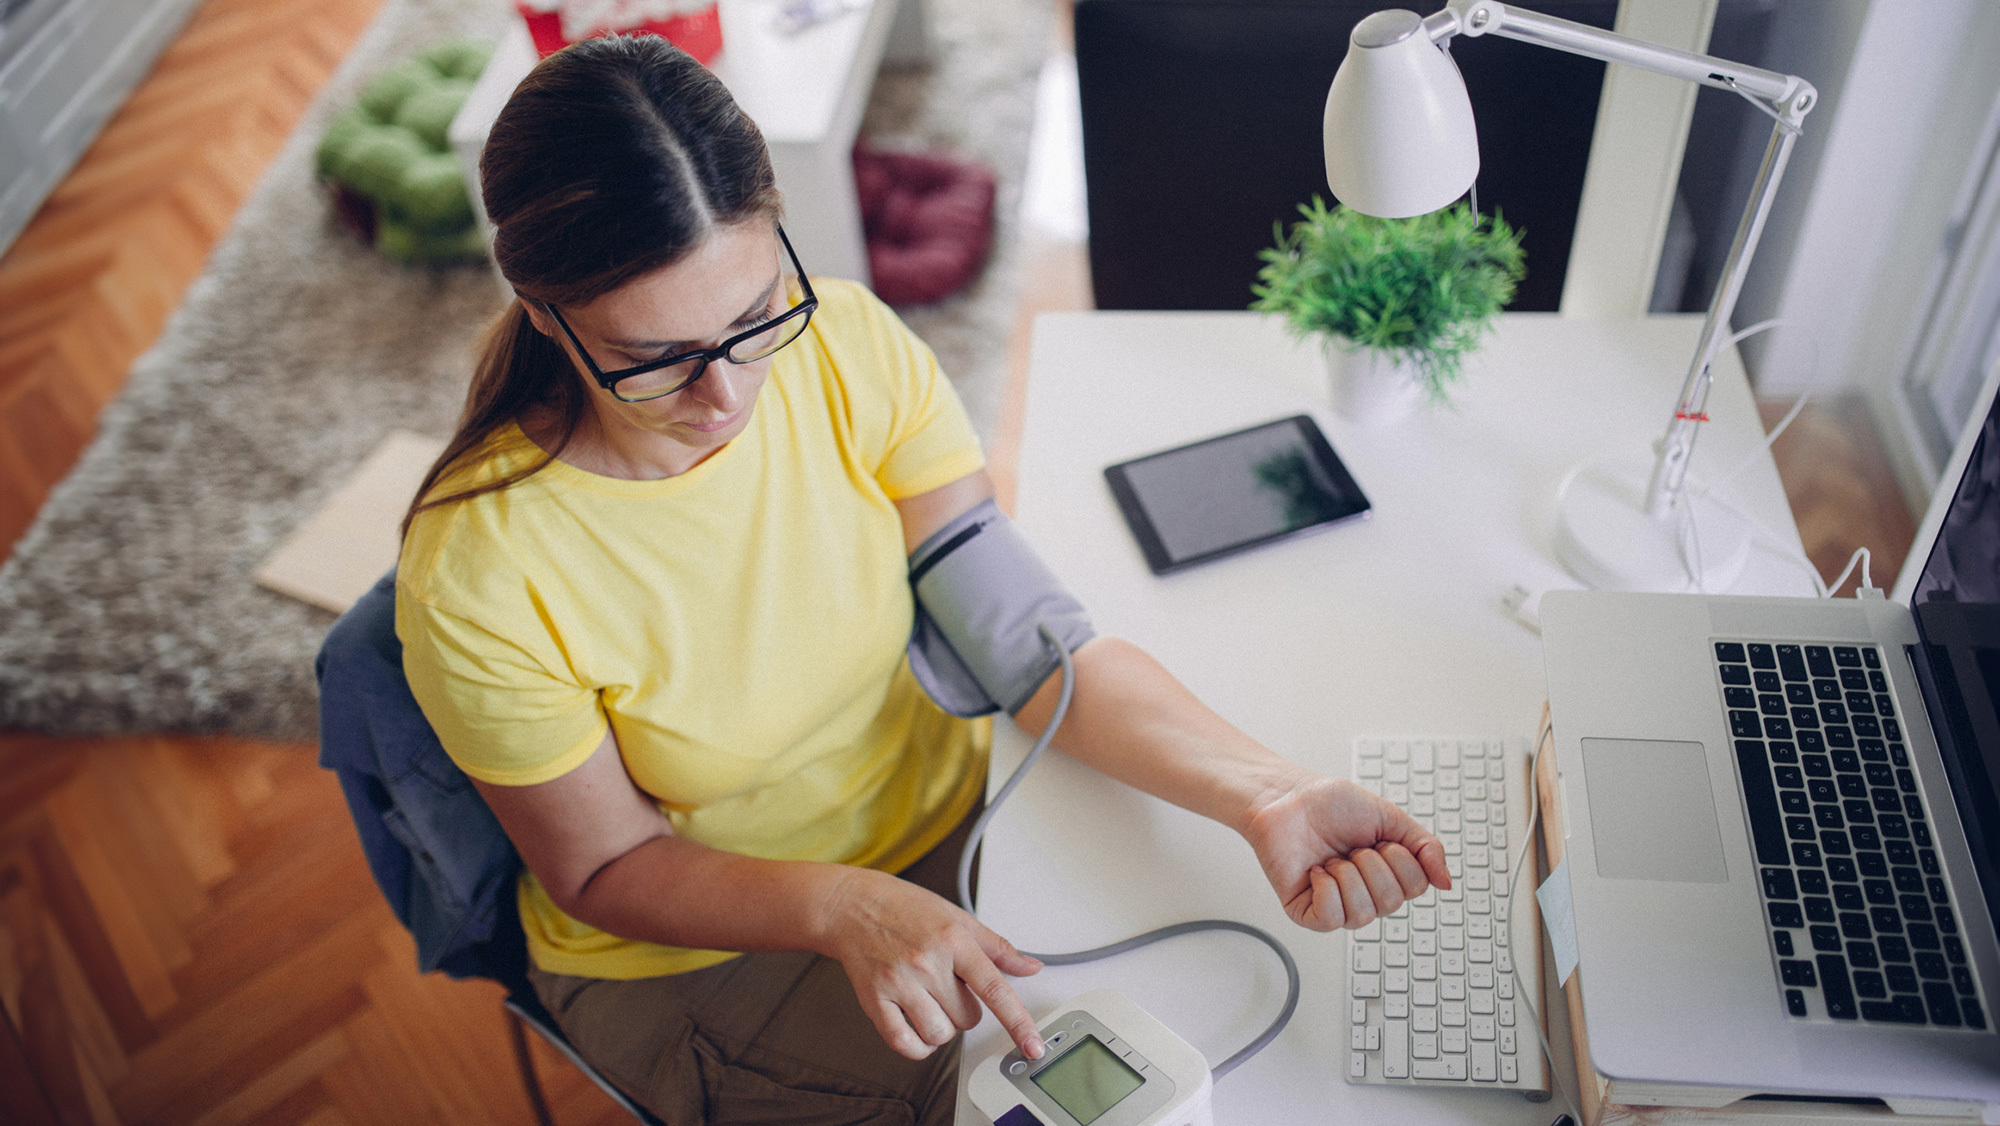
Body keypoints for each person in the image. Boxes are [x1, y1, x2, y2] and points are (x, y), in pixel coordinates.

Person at [396, 34, 1451, 1126]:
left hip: (954, 814)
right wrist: (840, 904)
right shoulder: (479, 574)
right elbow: (604, 865)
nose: (728, 395)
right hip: (696, 946)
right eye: (655, 355)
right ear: (541, 311)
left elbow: (1027, 646)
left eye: (755, 316)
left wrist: (1263, 791)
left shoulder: (845, 344)